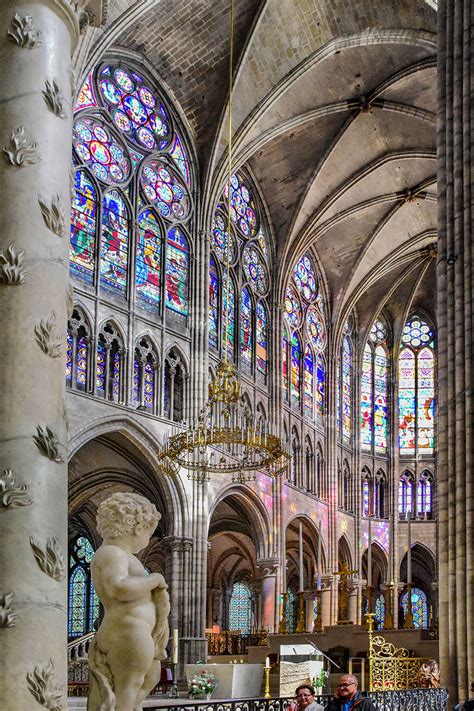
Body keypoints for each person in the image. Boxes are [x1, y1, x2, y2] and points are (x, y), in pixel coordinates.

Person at [87, 492, 170, 711]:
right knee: (127, 686)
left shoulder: (126, 557)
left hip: (140, 633)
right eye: (148, 533)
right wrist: (155, 579)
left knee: (148, 679)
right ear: (136, 526)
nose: (147, 540)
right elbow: (117, 588)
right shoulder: (111, 553)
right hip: (127, 632)